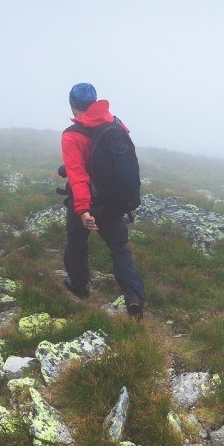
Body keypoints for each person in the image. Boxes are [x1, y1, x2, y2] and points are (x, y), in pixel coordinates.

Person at [60, 82, 146, 319]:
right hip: (113, 201)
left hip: (88, 202)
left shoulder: (72, 136)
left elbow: (78, 176)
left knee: (77, 244)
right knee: (119, 249)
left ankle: (79, 286)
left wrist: (83, 210)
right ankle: (134, 298)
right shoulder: (116, 124)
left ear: (73, 106)